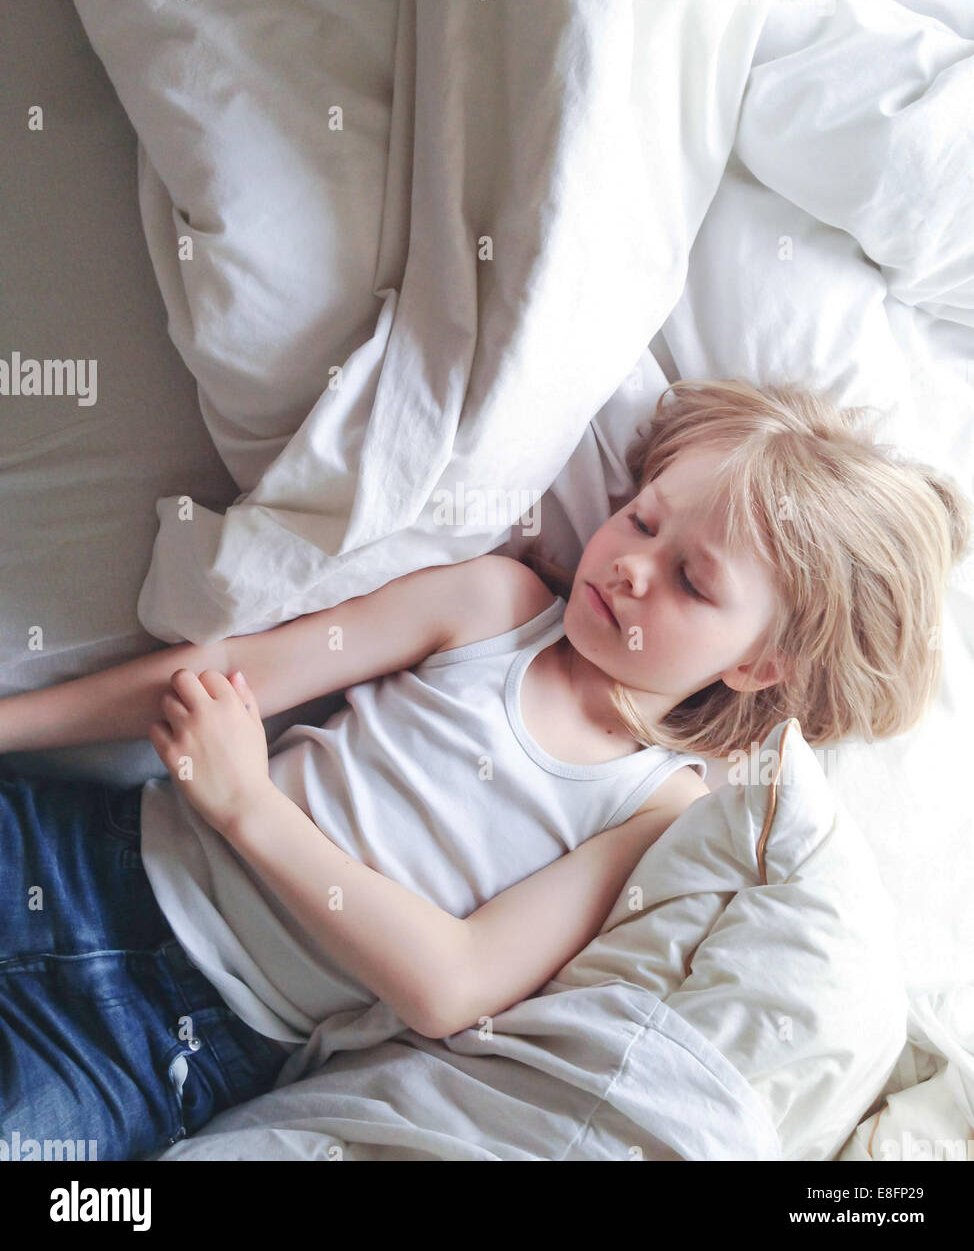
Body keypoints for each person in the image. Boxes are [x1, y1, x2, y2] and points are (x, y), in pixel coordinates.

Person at [1, 378, 968, 1160]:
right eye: (641, 519)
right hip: (93, 856)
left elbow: (450, 983)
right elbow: (225, 677)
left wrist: (251, 807)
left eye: (692, 580)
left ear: (756, 666)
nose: (632, 564)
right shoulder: (498, 606)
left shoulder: (655, 813)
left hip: (177, 1042)